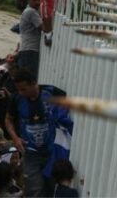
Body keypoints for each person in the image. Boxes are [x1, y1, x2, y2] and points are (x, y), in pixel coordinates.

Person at [5, 69, 72, 197]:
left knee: (52, 186)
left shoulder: (51, 92)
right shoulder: (16, 99)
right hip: (30, 152)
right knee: (33, 188)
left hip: (52, 151)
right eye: (18, 89)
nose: (20, 92)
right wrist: (16, 138)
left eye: (23, 89)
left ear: (34, 83)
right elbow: (8, 119)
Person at [18, 0, 42, 79]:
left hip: (26, 50)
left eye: (39, 0)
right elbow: (44, 28)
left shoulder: (29, 11)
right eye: (34, 0)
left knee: (26, 80)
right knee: (30, 80)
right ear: (29, 0)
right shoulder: (31, 12)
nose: (37, 2)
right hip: (30, 52)